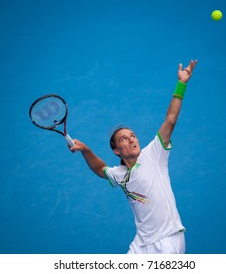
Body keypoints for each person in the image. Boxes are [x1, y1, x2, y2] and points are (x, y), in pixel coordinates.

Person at [70, 59, 198, 254]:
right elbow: (99, 169)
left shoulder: (155, 153)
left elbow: (170, 120)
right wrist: (86, 149)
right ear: (116, 151)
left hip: (168, 240)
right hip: (141, 244)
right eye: (124, 139)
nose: (131, 140)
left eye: (133, 136)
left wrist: (181, 84)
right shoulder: (119, 174)